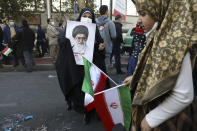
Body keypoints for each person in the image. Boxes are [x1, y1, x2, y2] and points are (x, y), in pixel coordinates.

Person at [123, 0, 197, 130]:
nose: (139, 20)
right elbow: (155, 70)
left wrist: (150, 120)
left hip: (168, 119)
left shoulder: (173, 42)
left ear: (159, 10)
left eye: (143, 14)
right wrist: (136, 77)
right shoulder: (157, 36)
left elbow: (184, 95)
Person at [56, 8, 106, 125]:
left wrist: (100, 47)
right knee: (79, 90)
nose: (87, 19)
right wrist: (67, 36)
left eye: (90, 17)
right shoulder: (71, 29)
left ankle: (89, 112)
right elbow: (62, 43)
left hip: (90, 68)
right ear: (80, 17)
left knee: (90, 91)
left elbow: (101, 47)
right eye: (85, 16)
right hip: (76, 68)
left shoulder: (95, 31)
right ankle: (82, 110)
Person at [96, 5, 116, 72]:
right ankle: (104, 82)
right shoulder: (110, 22)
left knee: (96, 67)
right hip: (106, 47)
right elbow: (114, 36)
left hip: (96, 48)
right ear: (107, 11)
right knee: (105, 67)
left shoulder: (95, 22)